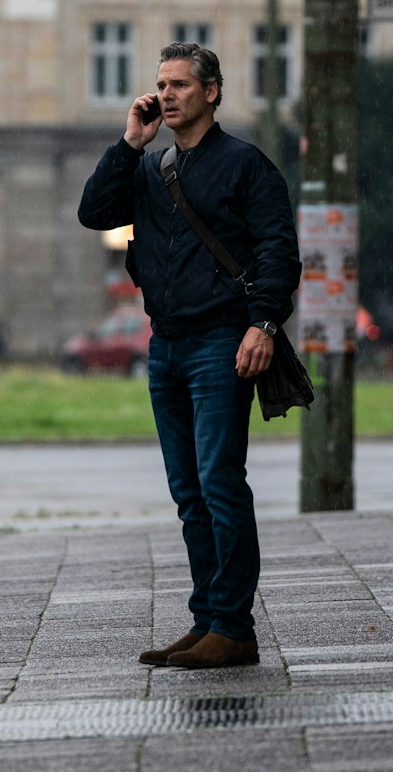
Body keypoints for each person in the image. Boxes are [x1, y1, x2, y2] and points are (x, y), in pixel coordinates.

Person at [77, 42, 297, 669]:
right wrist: (129, 144)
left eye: (179, 85)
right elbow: (93, 212)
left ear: (212, 92)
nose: (167, 94)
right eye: (161, 84)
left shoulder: (246, 166)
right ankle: (208, 621)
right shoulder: (151, 166)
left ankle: (233, 625)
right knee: (188, 491)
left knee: (221, 482)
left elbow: (280, 254)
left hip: (221, 344)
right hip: (166, 345)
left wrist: (263, 324)